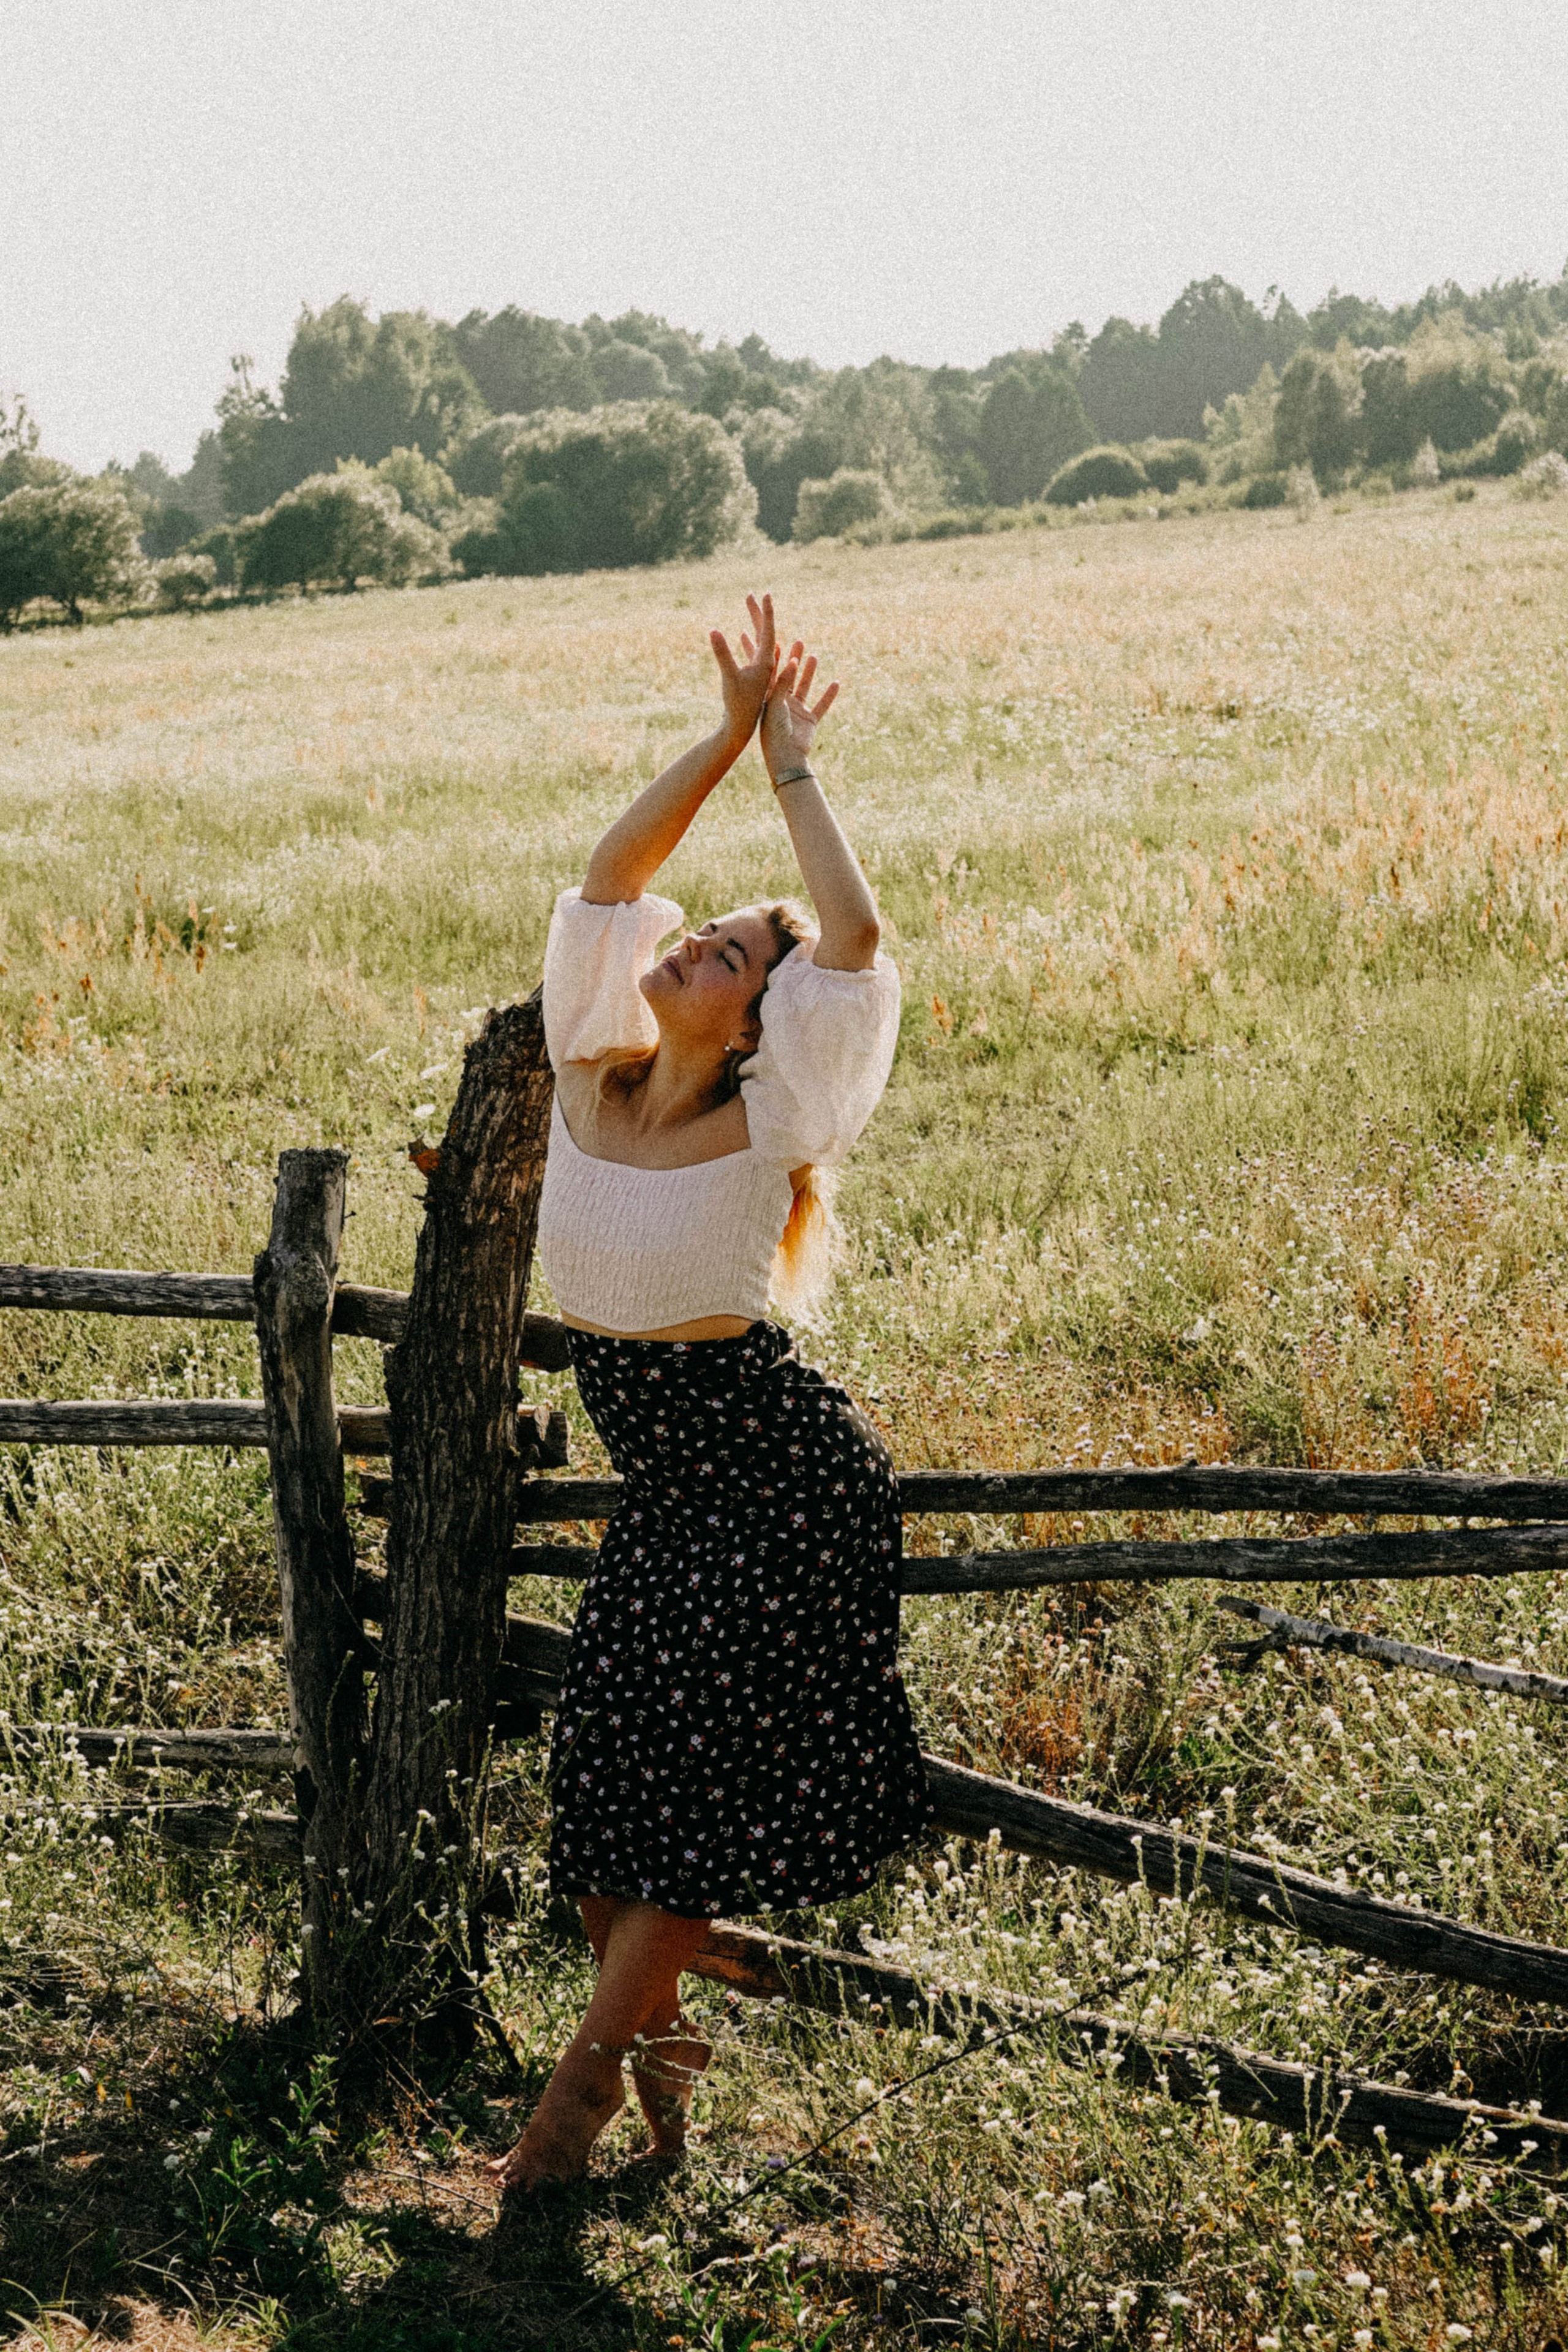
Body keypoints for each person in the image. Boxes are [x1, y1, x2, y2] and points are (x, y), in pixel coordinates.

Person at [488, 595, 931, 2197]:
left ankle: (574, 2113)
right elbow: (609, 879)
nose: (687, 941)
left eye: (729, 951)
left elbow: (858, 950)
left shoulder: (773, 1120)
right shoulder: (590, 1064)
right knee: (601, 1796)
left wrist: (798, 776)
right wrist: (726, 737)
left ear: (759, 1019)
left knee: (667, 1818)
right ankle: (665, 2069)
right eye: (700, 936)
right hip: (675, 1483)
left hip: (777, 1475)